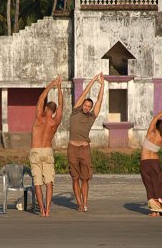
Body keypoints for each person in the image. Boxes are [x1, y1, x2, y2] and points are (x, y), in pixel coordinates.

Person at [68, 72, 104, 212]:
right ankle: (79, 204)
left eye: (89, 106)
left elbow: (99, 101)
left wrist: (102, 85)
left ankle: (85, 203)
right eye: (86, 105)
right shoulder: (75, 112)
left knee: (85, 178)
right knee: (75, 178)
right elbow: (83, 94)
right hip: (72, 148)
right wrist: (93, 80)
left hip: (84, 149)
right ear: (82, 105)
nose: (87, 107)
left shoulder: (91, 117)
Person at [30, 76, 63, 217]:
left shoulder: (39, 117)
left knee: (37, 183)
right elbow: (62, 105)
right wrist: (60, 87)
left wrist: (52, 84)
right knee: (49, 182)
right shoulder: (55, 121)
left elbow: (41, 97)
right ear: (54, 111)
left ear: (45, 108)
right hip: (48, 151)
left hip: (36, 151)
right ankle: (48, 210)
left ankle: (42, 209)